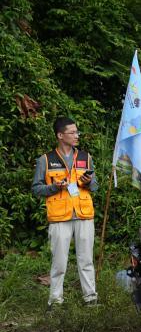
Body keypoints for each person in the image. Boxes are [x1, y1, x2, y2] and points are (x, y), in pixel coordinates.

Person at [32, 116, 99, 309]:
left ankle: (90, 298)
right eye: (73, 132)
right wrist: (53, 187)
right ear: (60, 135)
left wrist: (89, 182)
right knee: (59, 262)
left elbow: (94, 186)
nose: (77, 135)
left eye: (77, 132)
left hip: (84, 214)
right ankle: (55, 301)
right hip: (59, 217)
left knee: (86, 260)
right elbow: (36, 189)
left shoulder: (86, 157)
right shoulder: (45, 160)